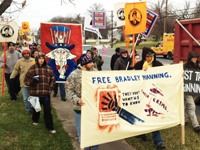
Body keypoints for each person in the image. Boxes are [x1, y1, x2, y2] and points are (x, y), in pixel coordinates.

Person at [133, 47, 165, 150]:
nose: (149, 58)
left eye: (151, 56)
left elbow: (168, 75)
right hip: (142, 95)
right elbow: (131, 77)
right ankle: (141, 133)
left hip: (154, 95)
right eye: (147, 56)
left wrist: (178, 74)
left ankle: (158, 141)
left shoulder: (158, 65)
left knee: (152, 116)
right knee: (143, 114)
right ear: (144, 57)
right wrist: (142, 72)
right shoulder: (138, 65)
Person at [66, 54, 99, 150]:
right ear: (84, 64)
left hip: (94, 109)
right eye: (90, 62)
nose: (93, 64)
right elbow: (69, 90)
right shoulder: (73, 75)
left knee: (95, 130)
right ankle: (85, 148)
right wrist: (77, 100)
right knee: (83, 132)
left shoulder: (96, 73)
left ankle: (95, 147)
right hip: (80, 109)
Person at [24, 52, 56, 134]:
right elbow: (26, 81)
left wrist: (50, 89)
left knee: (47, 111)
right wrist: (32, 81)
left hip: (46, 94)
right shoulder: (32, 69)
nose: (41, 60)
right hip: (35, 94)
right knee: (36, 109)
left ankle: (50, 126)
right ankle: (35, 120)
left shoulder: (48, 68)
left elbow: (53, 80)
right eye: (39, 59)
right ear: (36, 59)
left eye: (42, 59)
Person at [10, 47, 35, 114]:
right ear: (23, 54)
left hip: (33, 82)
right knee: (25, 98)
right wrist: (12, 77)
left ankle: (33, 107)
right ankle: (28, 109)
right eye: (25, 54)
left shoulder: (33, 61)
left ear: (29, 54)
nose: (26, 55)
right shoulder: (19, 62)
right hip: (24, 82)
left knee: (33, 96)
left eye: (27, 53)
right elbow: (16, 70)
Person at [184, 51, 200, 132]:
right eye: (194, 57)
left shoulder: (198, 66)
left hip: (195, 90)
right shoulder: (185, 66)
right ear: (190, 58)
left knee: (188, 105)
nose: (195, 59)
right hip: (187, 90)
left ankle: (184, 120)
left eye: (196, 57)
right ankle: (196, 125)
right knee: (192, 106)